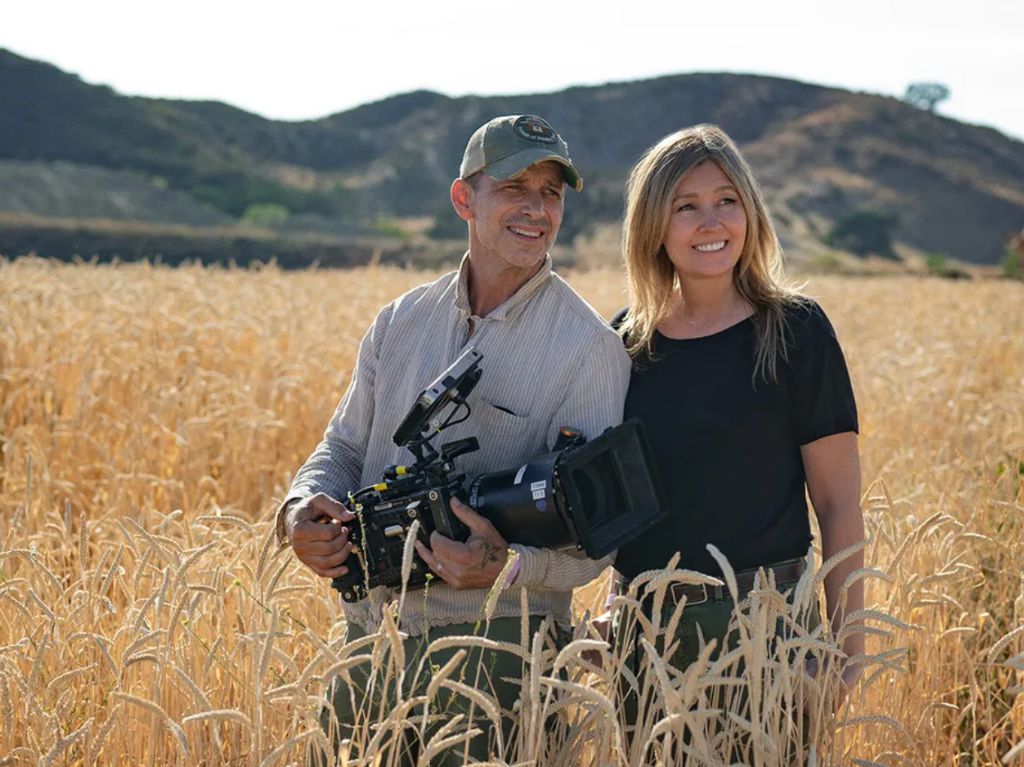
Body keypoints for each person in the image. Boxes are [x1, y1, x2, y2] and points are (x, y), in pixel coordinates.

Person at [276, 114, 630, 764]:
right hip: (370, 643)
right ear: (465, 198)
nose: (536, 208)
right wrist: (300, 509)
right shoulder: (400, 320)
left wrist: (507, 566)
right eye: (515, 187)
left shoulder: (591, 351)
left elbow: (597, 541)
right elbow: (344, 447)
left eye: (551, 192)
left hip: (500, 659)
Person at [608, 124, 865, 748]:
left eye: (727, 200)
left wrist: (846, 655)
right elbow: (621, 502)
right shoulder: (624, 342)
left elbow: (838, 503)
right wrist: (611, 610)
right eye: (685, 206)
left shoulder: (797, 332)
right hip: (649, 641)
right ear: (654, 226)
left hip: (769, 632)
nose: (711, 221)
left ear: (749, 211)